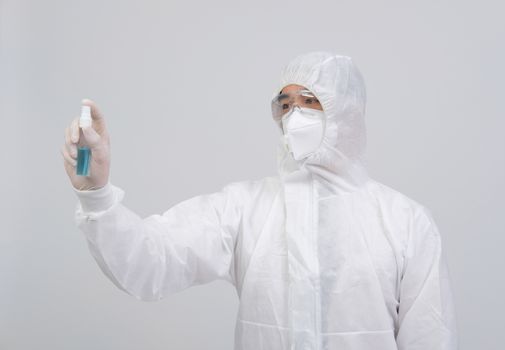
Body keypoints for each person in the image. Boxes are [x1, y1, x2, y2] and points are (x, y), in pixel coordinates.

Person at [61, 51, 458, 350]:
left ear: (347, 112)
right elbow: (151, 262)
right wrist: (97, 194)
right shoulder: (245, 207)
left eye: (310, 101)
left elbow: (430, 337)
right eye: (285, 105)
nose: (293, 115)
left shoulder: (404, 221)